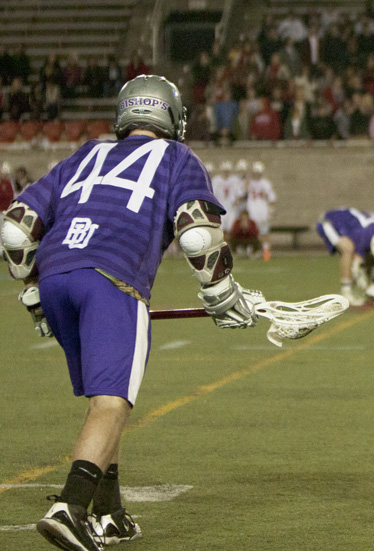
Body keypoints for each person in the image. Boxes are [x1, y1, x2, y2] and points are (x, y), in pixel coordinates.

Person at [0, 74, 262, 551]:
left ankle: (110, 511)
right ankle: (71, 508)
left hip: (58, 275)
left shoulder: (86, 153)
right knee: (113, 401)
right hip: (113, 278)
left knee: (104, 394)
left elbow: (17, 230)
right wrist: (221, 292)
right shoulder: (178, 156)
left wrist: (35, 289)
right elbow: (198, 232)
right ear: (170, 116)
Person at [315, 207, 374, 305]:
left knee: (363, 255)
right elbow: (358, 259)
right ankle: (346, 291)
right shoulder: (366, 234)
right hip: (327, 222)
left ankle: (373, 284)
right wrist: (361, 272)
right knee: (348, 248)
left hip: (346, 223)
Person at [245, 161, 277, 261]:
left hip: (262, 210)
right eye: (255, 172)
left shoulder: (265, 183)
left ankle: (266, 252)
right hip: (252, 210)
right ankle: (251, 252)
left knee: (264, 232)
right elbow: (242, 191)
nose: (256, 174)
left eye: (258, 172)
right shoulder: (249, 182)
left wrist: (271, 211)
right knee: (252, 233)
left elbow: (272, 198)